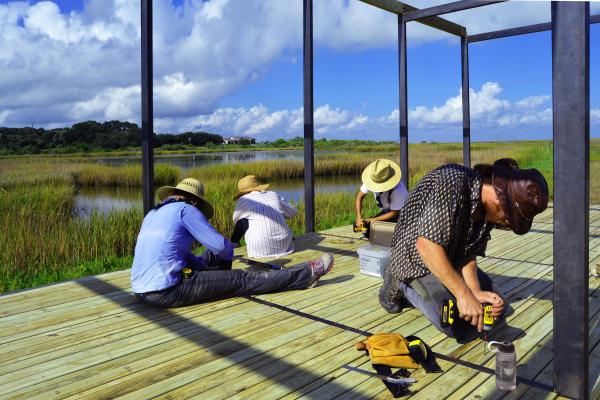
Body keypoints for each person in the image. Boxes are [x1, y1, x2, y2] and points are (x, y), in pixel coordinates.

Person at [379, 159, 548, 342]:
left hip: (448, 259)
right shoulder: (450, 181)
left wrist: (474, 292)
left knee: (499, 307)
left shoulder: (488, 209)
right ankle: (397, 280)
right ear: (498, 199)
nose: (506, 224)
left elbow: (469, 254)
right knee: (455, 324)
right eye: (509, 219)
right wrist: (463, 294)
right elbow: (426, 246)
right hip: (414, 261)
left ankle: (445, 290)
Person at [131, 178, 334, 308]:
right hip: (167, 291)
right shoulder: (187, 210)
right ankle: (305, 274)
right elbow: (222, 247)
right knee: (241, 278)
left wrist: (202, 265)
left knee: (207, 257)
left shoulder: (153, 213)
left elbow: (175, 254)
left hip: (141, 291)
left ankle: (216, 274)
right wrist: (226, 267)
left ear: (173, 195)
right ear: (194, 201)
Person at [231, 175, 297, 258]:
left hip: (259, 250)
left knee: (243, 220)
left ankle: (234, 243)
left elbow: (236, 220)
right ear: (259, 186)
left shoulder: (243, 200)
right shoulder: (273, 195)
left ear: (242, 193)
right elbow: (293, 211)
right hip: (285, 246)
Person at [355, 159, 409, 229]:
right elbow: (359, 197)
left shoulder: (399, 190)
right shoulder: (372, 179)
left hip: (403, 216)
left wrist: (370, 220)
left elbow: (394, 213)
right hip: (386, 212)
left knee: (381, 231)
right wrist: (358, 217)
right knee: (365, 228)